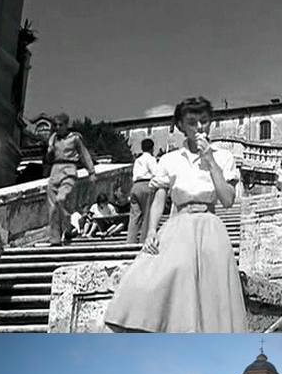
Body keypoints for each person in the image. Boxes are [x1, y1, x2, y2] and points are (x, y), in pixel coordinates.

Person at [104, 96, 248, 333]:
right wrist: (151, 231)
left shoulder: (223, 157)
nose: (200, 127)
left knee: (210, 296)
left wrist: (211, 162)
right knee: (143, 279)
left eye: (204, 121)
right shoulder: (169, 159)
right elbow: (160, 197)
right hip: (177, 225)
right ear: (181, 126)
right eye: (192, 122)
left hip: (209, 226)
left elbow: (228, 200)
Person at [44, 113, 96, 245]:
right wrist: (49, 150)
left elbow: (84, 154)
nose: (57, 127)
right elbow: (48, 159)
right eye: (55, 125)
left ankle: (68, 227)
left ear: (66, 125)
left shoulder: (75, 138)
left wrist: (91, 171)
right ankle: (55, 238)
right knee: (52, 206)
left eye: (60, 125)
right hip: (55, 170)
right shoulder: (53, 139)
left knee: (61, 199)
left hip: (69, 169)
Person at [127, 139, 157, 243]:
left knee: (135, 215)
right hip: (146, 184)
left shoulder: (137, 160)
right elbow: (156, 173)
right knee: (148, 214)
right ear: (152, 148)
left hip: (135, 186)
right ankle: (144, 241)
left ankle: (130, 241)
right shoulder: (151, 159)